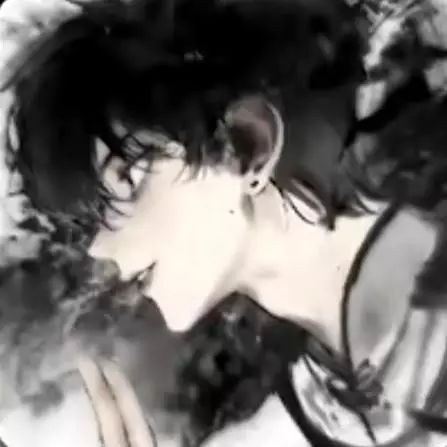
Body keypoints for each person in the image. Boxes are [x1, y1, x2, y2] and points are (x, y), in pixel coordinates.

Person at [2, 0, 447, 446]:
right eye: (86, 227)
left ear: (245, 143)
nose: (99, 249)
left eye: (130, 182)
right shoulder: (319, 406)